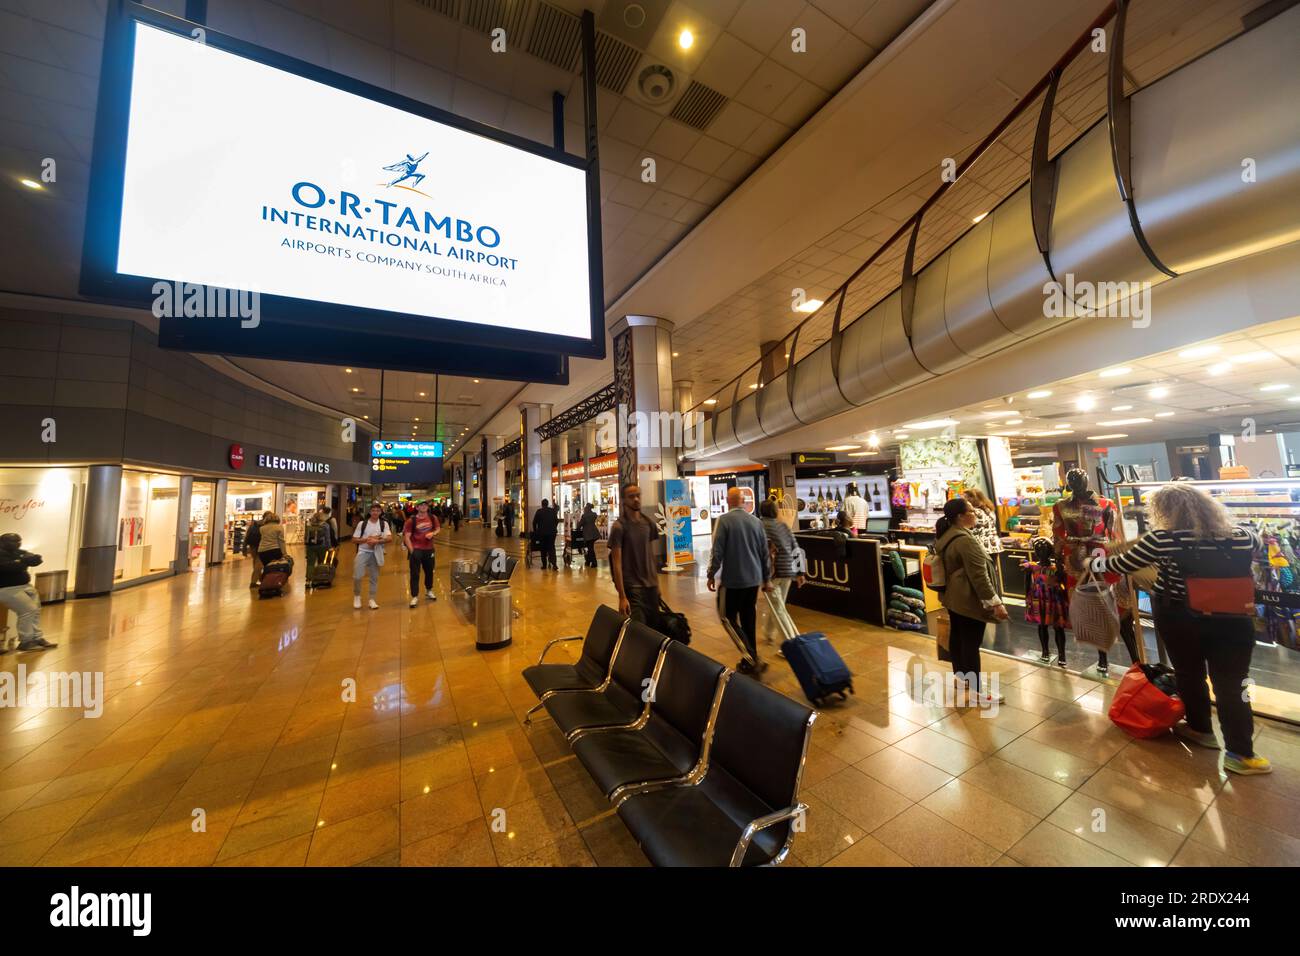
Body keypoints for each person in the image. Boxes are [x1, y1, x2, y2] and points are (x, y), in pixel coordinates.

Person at [1090, 483, 1269, 775]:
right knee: (1233, 684)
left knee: (1189, 673)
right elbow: (1258, 544)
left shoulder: (1163, 539)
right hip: (1235, 620)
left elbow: (1120, 563)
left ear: (1164, 511)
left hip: (1180, 616)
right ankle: (1241, 753)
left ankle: (1201, 729)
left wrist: (1092, 560)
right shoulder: (1241, 537)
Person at [934, 496, 1008, 706]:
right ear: (960, 516)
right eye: (971, 512)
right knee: (971, 642)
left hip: (954, 598)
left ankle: (962, 677)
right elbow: (979, 576)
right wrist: (996, 603)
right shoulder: (965, 540)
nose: (975, 514)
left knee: (958, 637)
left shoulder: (948, 535)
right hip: (967, 599)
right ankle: (978, 692)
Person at [707, 487, 773, 675]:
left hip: (733, 581)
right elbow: (764, 553)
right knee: (748, 618)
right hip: (753, 580)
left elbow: (717, 550)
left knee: (726, 616)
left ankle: (751, 658)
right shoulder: (756, 522)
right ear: (743, 502)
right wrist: (766, 578)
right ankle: (750, 659)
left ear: (728, 501)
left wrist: (711, 574)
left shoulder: (724, 520)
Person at [609, 484, 660, 622]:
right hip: (633, 588)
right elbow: (617, 564)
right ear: (624, 500)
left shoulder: (649, 524)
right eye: (631, 496)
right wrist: (622, 596)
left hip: (651, 586)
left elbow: (651, 555)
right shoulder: (619, 527)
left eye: (638, 495)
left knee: (654, 630)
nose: (636, 499)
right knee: (638, 631)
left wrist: (656, 584)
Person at [0, 534, 56, 651]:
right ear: (3, 542)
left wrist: (21, 560)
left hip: (26, 586)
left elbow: (37, 559)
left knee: (35, 610)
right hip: (7, 588)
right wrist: (23, 561)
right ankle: (26, 641)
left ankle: (36, 637)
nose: (17, 544)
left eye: (19, 541)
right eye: (13, 541)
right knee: (28, 610)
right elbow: (8, 567)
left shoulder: (19, 552)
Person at [760, 499, 803, 647]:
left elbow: (764, 554)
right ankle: (769, 633)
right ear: (775, 511)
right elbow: (795, 547)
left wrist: (765, 578)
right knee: (779, 605)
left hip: (773, 573)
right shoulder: (783, 525)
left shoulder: (760, 526)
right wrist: (800, 572)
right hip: (789, 571)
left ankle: (790, 643)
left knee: (778, 607)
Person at [352, 502, 391, 610]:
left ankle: (372, 599)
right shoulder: (362, 524)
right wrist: (367, 539)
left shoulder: (384, 524)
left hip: (376, 553)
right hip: (363, 552)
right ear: (370, 512)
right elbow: (354, 539)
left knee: (374, 577)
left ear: (380, 512)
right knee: (357, 575)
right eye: (373, 510)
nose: (375, 512)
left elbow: (389, 538)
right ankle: (357, 595)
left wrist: (377, 540)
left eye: (378, 511)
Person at [402, 501, 440, 608]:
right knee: (415, 573)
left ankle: (429, 590)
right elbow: (407, 537)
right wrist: (412, 551)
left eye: (425, 505)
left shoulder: (433, 518)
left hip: (429, 549)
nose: (424, 507)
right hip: (416, 549)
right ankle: (414, 596)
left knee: (429, 571)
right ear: (417, 507)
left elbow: (437, 528)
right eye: (421, 505)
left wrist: (433, 533)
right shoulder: (411, 521)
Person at [963, 488, 1003, 559]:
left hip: (982, 547)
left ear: (972, 499)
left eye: (965, 498)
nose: (964, 500)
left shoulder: (974, 512)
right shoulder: (989, 510)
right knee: (992, 569)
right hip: (994, 545)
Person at [304, 507, 336, 577]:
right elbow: (327, 538)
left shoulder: (309, 525)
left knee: (310, 563)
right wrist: (330, 547)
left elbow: (305, 537)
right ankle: (321, 576)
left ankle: (309, 579)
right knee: (322, 562)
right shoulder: (325, 525)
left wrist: (306, 548)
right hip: (322, 546)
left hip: (310, 546)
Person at [532, 498, 559, 570]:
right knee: (552, 548)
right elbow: (557, 521)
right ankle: (554, 564)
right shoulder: (553, 511)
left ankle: (544, 565)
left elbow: (534, 522)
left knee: (543, 548)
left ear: (542, 504)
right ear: (547, 504)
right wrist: (554, 527)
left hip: (542, 533)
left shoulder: (539, 511)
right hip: (552, 533)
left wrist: (536, 531)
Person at [578, 502, 600, 568]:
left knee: (590, 548)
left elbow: (580, 525)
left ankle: (594, 563)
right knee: (590, 547)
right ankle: (588, 561)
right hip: (594, 533)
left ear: (586, 508)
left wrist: (577, 527)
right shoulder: (594, 514)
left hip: (588, 534)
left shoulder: (584, 516)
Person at [244, 515, 263, 588]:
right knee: (258, 565)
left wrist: (244, 548)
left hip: (252, 547)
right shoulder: (263, 525)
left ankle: (259, 579)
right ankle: (253, 582)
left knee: (256, 563)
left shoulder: (253, 525)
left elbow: (247, 537)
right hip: (259, 547)